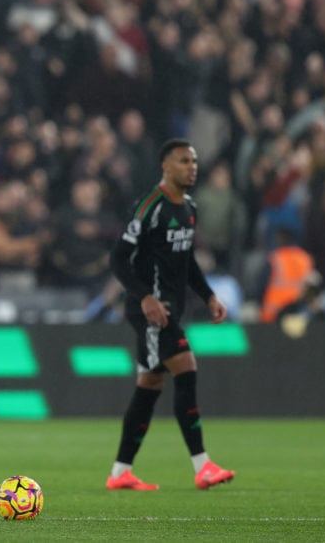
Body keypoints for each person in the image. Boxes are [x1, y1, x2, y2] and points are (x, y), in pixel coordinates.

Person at [106, 138, 235, 491]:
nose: (191, 167)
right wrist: (145, 297)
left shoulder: (189, 207)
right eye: (183, 161)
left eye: (193, 161)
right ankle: (203, 465)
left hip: (170, 308)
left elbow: (186, 260)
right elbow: (117, 259)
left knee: (149, 385)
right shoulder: (150, 206)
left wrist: (209, 296)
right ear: (166, 166)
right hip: (150, 311)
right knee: (186, 368)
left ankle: (120, 473)